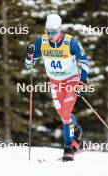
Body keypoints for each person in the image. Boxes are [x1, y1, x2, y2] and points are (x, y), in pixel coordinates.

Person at [25, 14, 89, 161]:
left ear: (60, 30)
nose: (50, 35)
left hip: (71, 80)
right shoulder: (41, 41)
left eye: (53, 32)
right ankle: (77, 131)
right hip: (55, 82)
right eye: (48, 31)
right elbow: (29, 66)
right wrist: (28, 56)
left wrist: (83, 82)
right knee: (64, 116)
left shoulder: (71, 42)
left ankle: (69, 149)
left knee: (66, 113)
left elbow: (84, 62)